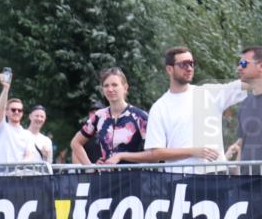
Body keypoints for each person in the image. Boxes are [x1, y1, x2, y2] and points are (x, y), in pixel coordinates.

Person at [105, 47, 246, 171]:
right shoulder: (160, 107)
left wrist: (251, 64)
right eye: (183, 64)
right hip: (180, 179)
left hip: (216, 176)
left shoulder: (209, 93)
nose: (189, 68)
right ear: (169, 69)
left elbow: (248, 84)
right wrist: (193, 151)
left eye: (191, 63)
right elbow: (156, 153)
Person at [70, 68, 148, 165]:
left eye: (114, 85)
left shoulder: (140, 116)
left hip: (133, 173)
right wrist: (90, 167)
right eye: (106, 86)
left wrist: (121, 156)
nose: (110, 89)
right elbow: (75, 143)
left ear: (125, 87)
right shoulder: (99, 116)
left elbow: (154, 155)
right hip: (105, 174)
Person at [226, 46, 262, 172]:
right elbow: (242, 143)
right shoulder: (245, 103)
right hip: (246, 180)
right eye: (239, 64)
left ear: (260, 66)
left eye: (244, 63)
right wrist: (237, 175)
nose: (239, 68)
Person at [0, 69, 40, 165]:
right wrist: (6, 88)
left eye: (20, 110)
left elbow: (29, 156)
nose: (17, 112)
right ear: (6, 112)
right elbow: (1, 108)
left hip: (19, 172)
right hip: (1, 173)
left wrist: (19, 167)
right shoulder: (2, 127)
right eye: (13, 109)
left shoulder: (27, 134)